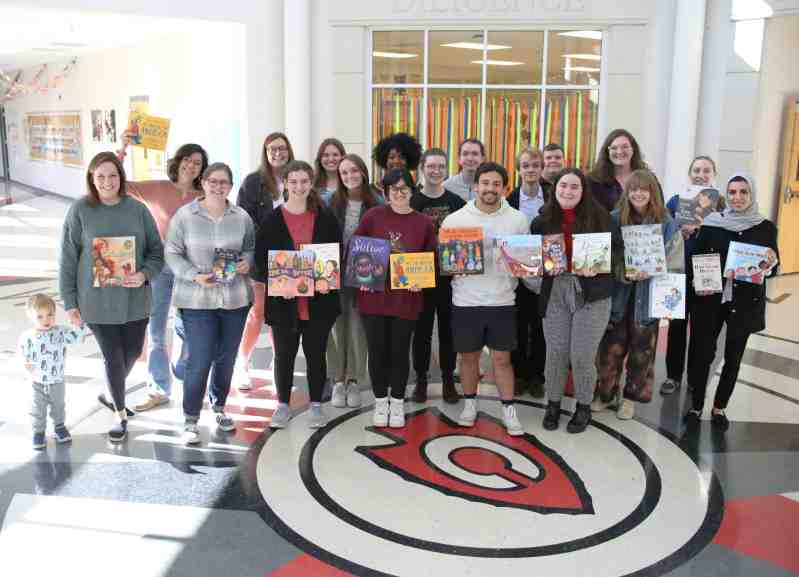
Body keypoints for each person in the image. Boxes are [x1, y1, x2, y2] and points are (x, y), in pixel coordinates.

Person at [59, 151, 164, 443]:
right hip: (96, 301)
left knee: (131, 354)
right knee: (113, 358)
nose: (107, 181)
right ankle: (120, 414)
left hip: (135, 300)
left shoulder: (138, 210)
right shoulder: (80, 210)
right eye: (101, 176)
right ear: (92, 179)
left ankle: (109, 391)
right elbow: (67, 259)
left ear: (121, 177)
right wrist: (70, 303)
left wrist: (144, 274)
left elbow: (157, 252)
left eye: (113, 175)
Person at [165, 162, 254, 445]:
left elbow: (250, 247)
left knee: (226, 357)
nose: (218, 187)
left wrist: (246, 262)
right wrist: (194, 276)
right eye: (213, 181)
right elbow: (172, 253)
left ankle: (219, 407)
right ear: (203, 182)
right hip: (196, 299)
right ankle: (190, 418)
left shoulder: (241, 216)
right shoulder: (184, 216)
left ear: (230, 185)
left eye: (224, 182)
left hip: (235, 299)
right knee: (200, 358)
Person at [116, 140, 208, 412]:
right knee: (156, 331)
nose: (191, 165)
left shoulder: (203, 196)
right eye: (188, 159)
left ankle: (183, 369)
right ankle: (158, 389)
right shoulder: (157, 188)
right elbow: (119, 183)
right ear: (178, 161)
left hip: (192, 271)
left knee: (190, 329)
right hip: (159, 268)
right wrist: (122, 148)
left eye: (197, 162)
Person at [441, 161, 529, 436]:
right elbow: (446, 264)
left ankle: (508, 409)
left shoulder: (517, 219)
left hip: (503, 300)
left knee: (502, 360)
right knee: (469, 358)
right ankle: (469, 405)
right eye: (485, 183)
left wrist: (525, 262)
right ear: (476, 186)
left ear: (504, 188)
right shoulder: (455, 219)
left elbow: (526, 264)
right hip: (467, 301)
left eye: (496, 184)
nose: (490, 189)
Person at [530, 168, 622, 433]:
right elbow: (532, 259)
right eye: (563, 186)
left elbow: (617, 252)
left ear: (583, 191)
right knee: (556, 352)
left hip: (592, 292)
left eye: (574, 187)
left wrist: (600, 265)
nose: (568, 192)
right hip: (555, 291)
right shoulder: (541, 221)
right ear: (554, 189)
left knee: (582, 354)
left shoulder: (602, 218)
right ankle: (553, 404)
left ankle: (583, 406)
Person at [252, 160, 342, 428]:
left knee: (316, 355)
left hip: (320, 302)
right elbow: (261, 258)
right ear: (285, 184)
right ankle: (282, 404)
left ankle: (316, 405)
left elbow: (335, 254)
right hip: (284, 302)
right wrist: (282, 283)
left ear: (311, 183)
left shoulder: (325, 216)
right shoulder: (272, 219)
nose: (299, 186)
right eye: (294, 182)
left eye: (304, 181)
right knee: (284, 355)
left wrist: (327, 277)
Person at [685, 174, 779, 431]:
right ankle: (695, 405)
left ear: (752, 195)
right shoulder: (713, 224)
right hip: (710, 300)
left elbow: (773, 265)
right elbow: (697, 259)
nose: (737, 197)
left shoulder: (765, 227)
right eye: (733, 192)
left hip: (745, 301)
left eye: (744, 192)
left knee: (734, 356)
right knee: (703, 353)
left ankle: (719, 408)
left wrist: (770, 263)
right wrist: (698, 281)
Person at [593, 169, 684, 420]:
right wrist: (624, 270)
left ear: (652, 192)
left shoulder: (666, 222)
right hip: (618, 295)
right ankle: (605, 393)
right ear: (627, 192)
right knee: (610, 348)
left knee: (642, 351)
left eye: (644, 188)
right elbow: (604, 258)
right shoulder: (613, 219)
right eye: (634, 189)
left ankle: (630, 398)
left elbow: (676, 263)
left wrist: (654, 271)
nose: (639, 193)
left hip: (649, 296)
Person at [354, 168, 436, 427]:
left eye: (404, 189)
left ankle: (398, 402)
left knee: (400, 352)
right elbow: (359, 249)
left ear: (412, 190)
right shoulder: (373, 216)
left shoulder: (423, 222)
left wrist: (420, 279)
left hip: (406, 298)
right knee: (377, 351)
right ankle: (380, 401)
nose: (399, 194)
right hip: (374, 297)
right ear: (386, 192)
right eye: (393, 189)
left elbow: (430, 257)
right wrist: (362, 278)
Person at [237, 132, 295, 389]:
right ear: (265, 151)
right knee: (259, 311)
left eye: (282, 148)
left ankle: (278, 364)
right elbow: (243, 220)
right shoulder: (253, 182)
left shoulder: (298, 178)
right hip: (261, 257)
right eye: (272, 149)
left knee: (280, 314)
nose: (278, 153)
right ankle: (242, 362)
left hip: (289, 258)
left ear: (289, 150)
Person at [410, 148, 465, 404]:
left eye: (441, 166)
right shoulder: (412, 202)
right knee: (421, 331)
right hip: (419, 276)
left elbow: (468, 237)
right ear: (422, 167)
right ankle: (421, 380)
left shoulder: (456, 202)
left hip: (448, 276)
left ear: (447, 169)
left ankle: (447, 379)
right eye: (431, 166)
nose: (436, 171)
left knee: (449, 331)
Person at [328, 154, 383, 408]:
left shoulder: (377, 203)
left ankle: (355, 380)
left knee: (358, 328)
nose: (349, 176)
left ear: (363, 172)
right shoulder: (330, 202)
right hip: (334, 274)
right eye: (344, 173)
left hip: (365, 274)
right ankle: (338, 379)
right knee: (337, 328)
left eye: (353, 171)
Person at [661, 155, 719, 395]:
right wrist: (678, 230)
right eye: (696, 170)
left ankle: (696, 378)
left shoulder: (721, 204)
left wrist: (702, 228)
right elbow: (662, 230)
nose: (700, 174)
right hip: (679, 272)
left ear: (713, 175)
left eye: (706, 170)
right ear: (689, 174)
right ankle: (673, 375)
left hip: (708, 274)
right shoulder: (676, 201)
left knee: (702, 330)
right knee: (677, 326)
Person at [506, 148, 549, 398]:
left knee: (542, 325)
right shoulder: (509, 200)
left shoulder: (554, 196)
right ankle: (520, 374)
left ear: (541, 168)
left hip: (548, 268)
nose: (531, 170)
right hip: (518, 269)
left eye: (535, 165)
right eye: (525, 165)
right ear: (519, 169)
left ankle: (538, 376)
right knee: (519, 325)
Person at [19, 294, 87, 450]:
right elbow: (24, 353)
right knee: (37, 407)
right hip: (36, 381)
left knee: (58, 405)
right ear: (31, 317)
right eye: (40, 316)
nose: (46, 320)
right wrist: (27, 365)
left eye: (50, 314)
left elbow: (77, 339)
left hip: (57, 379)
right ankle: (38, 431)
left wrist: (79, 325)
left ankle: (59, 426)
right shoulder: (28, 337)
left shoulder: (60, 332)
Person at [589, 129, 649, 212]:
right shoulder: (592, 181)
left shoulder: (648, 178)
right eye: (614, 148)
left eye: (625, 147)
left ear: (633, 149)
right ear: (607, 152)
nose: (619, 151)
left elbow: (657, 207)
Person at [444, 138, 486, 203]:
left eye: (475, 154)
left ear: (482, 159)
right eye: (465, 154)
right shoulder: (447, 187)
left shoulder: (489, 186)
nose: (470, 158)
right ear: (459, 159)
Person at [313, 138, 346, 206]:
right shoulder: (311, 183)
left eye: (335, 155)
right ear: (320, 159)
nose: (331, 159)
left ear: (342, 157)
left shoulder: (350, 182)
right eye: (326, 155)